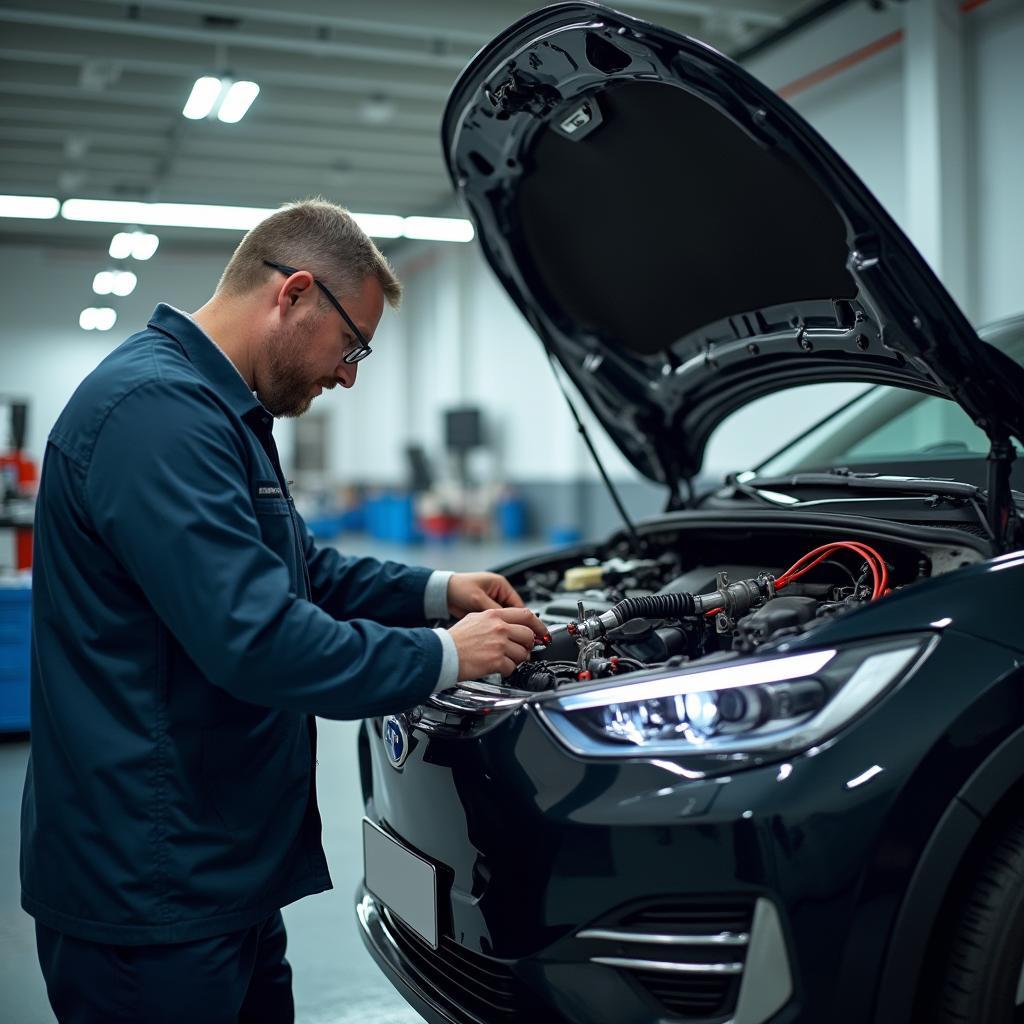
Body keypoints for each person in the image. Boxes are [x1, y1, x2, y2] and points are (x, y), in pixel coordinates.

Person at [21, 198, 548, 1023]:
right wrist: (449, 656)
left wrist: (437, 594)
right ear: (294, 293)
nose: (348, 374)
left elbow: (300, 570)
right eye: (353, 346)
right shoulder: (156, 416)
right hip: (151, 885)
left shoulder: (219, 412)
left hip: (216, 870)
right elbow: (259, 640)